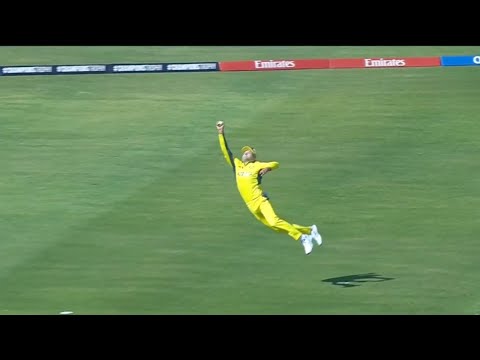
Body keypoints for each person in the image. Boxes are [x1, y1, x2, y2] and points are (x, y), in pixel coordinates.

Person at [216, 120, 322, 255]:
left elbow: (275, 163)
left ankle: (303, 238)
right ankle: (310, 230)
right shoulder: (237, 165)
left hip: (260, 200)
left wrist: (268, 168)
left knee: (274, 221)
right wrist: (221, 133)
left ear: (254, 156)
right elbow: (227, 152)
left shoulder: (257, 165)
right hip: (250, 205)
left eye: (249, 152)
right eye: (244, 152)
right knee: (277, 227)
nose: (245, 153)